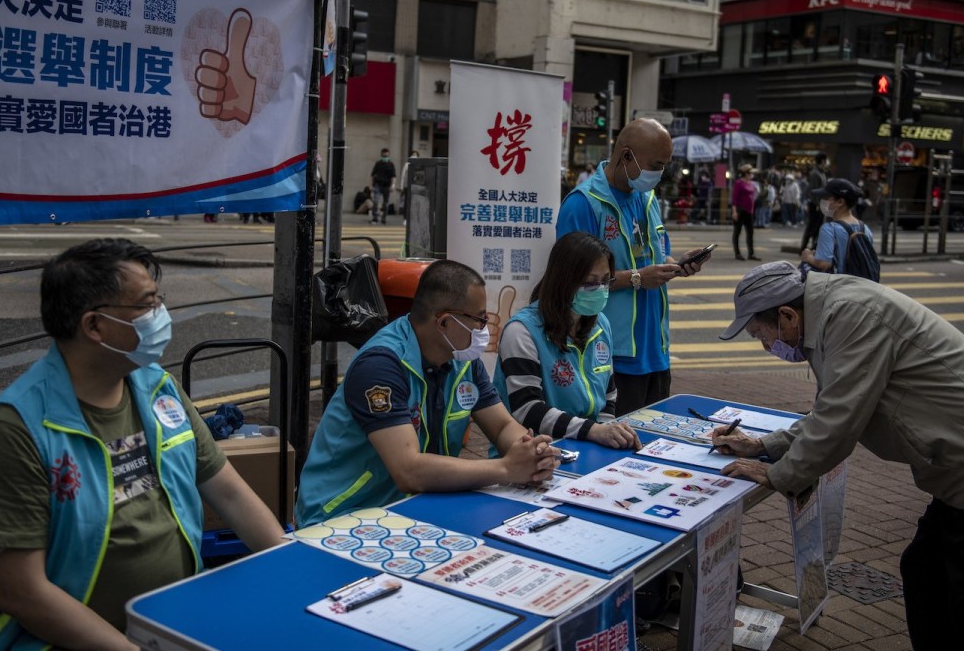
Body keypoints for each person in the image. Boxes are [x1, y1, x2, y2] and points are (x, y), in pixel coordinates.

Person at [0, 240, 285, 649]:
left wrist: (289, 564)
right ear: (94, 326)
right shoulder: (13, 430)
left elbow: (228, 490)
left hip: (165, 622)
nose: (161, 316)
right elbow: (22, 593)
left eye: (160, 301)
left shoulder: (159, 388)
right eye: (147, 304)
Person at [715, 261, 964, 651]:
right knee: (925, 574)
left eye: (762, 335)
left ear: (787, 315)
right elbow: (836, 407)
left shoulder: (849, 314)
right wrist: (764, 445)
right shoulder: (830, 310)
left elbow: (839, 422)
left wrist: (777, 475)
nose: (766, 346)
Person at [295, 260, 560, 527]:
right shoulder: (381, 365)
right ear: (444, 322)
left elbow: (502, 425)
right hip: (343, 516)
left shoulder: (464, 361)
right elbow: (409, 470)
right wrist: (506, 469)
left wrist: (530, 452)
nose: (484, 329)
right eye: (479, 319)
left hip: (413, 507)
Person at [555, 117, 708, 415]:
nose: (660, 173)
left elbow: (656, 256)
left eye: (665, 165)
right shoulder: (583, 204)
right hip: (612, 355)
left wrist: (675, 265)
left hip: (656, 352)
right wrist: (638, 278)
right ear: (626, 155)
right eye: (655, 165)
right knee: (616, 448)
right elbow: (570, 283)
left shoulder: (647, 198)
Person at [494, 232, 641, 449]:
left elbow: (608, 395)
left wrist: (606, 435)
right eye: (590, 283)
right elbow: (527, 408)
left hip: (585, 445)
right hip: (532, 452)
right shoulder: (522, 331)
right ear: (563, 281)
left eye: (605, 281)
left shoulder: (601, 325)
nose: (600, 290)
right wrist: (593, 431)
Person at [800, 178, 872, 274]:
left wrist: (808, 257)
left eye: (826, 198)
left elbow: (824, 263)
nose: (822, 201)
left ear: (840, 202)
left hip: (837, 286)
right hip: (858, 286)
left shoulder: (829, 229)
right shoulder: (866, 229)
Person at [799, 153, 829, 251]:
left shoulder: (822, 173)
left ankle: (814, 248)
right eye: (825, 161)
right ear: (822, 161)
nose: (826, 163)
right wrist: (816, 203)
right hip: (815, 204)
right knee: (811, 226)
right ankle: (803, 248)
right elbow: (812, 190)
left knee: (818, 227)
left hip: (821, 203)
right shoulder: (815, 173)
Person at [731, 163, 760, 261]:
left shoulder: (751, 183)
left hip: (749, 211)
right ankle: (737, 253)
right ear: (746, 173)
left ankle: (751, 254)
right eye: (750, 173)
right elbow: (734, 199)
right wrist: (734, 211)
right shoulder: (739, 183)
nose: (751, 175)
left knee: (750, 233)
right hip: (740, 210)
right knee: (737, 232)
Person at [370, 147, 397, 225]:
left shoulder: (391, 164)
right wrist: (371, 185)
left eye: (386, 156)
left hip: (387, 186)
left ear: (388, 155)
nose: (385, 157)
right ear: (381, 155)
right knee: (375, 201)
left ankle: (383, 218)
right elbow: (372, 175)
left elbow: (393, 176)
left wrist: (393, 185)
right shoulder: (378, 163)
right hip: (378, 185)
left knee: (385, 203)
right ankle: (375, 218)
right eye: (384, 155)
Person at [400, 149, 419, 218]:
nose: (414, 156)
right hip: (407, 186)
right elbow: (403, 176)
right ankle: (405, 217)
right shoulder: (407, 164)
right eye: (413, 155)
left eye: (416, 155)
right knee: (407, 202)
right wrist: (401, 186)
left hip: (416, 186)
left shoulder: (419, 164)